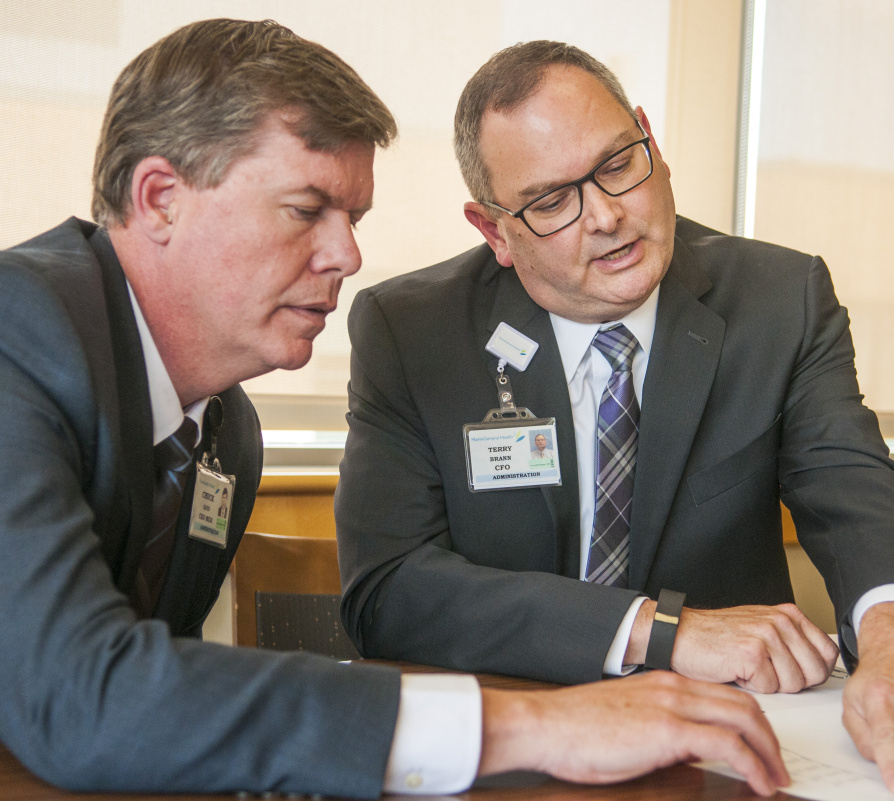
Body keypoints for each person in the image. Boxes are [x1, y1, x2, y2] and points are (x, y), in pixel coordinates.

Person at [0, 20, 793, 800]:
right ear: (161, 198)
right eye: (307, 209)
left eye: (354, 219)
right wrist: (530, 726)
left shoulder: (225, 436)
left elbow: (160, 710)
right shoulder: (16, 330)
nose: (347, 256)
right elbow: (82, 693)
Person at [335, 40, 894, 795]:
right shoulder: (412, 330)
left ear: (651, 139)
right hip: (506, 740)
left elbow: (852, 485)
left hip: (719, 753)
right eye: (552, 202)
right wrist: (659, 629)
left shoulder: (778, 299)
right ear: (494, 232)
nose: (608, 216)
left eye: (619, 163)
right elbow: (388, 588)